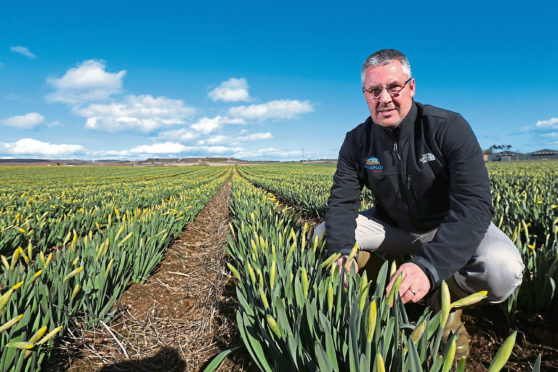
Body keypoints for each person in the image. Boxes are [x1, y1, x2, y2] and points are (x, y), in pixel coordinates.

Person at [314, 49, 524, 358]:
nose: (384, 98)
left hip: (446, 226)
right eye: (374, 90)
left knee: (503, 269)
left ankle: (445, 303)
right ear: (365, 95)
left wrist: (428, 266)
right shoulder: (357, 140)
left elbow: (475, 204)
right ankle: (381, 280)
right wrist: (342, 254)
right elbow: (343, 202)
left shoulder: (447, 127)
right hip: (393, 227)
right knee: (324, 237)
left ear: (411, 87)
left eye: (393, 87)